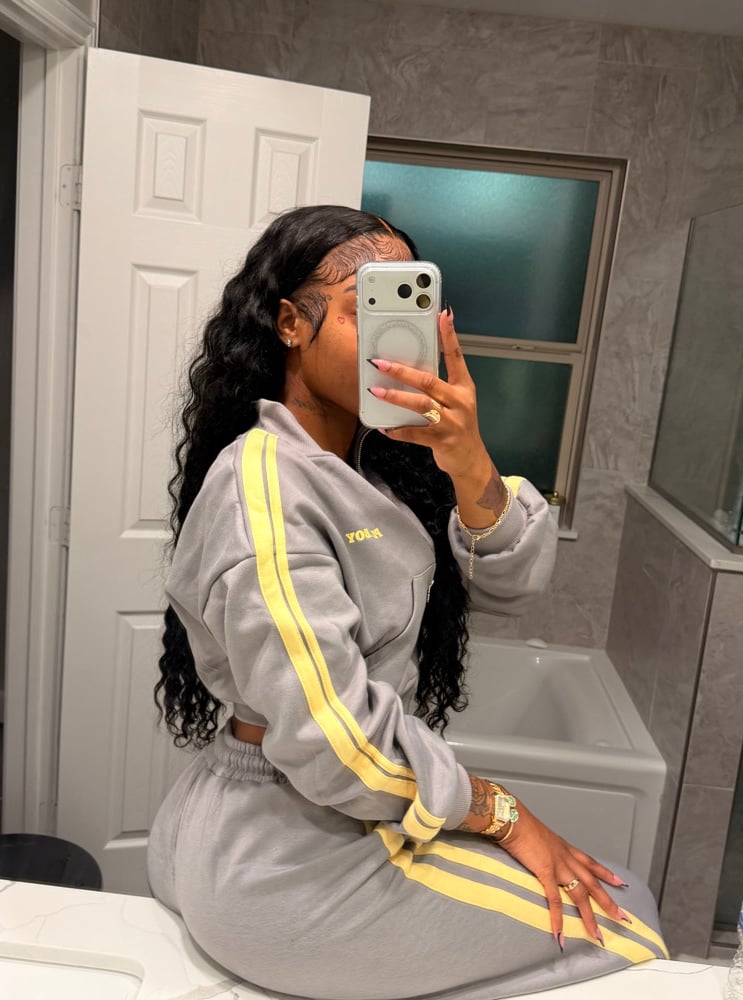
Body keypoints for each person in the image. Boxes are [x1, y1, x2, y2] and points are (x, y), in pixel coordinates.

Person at [147, 205, 666, 1000]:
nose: (396, 339)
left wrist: (469, 457)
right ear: (290, 323)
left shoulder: (366, 469)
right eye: (367, 307)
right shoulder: (267, 488)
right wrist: (501, 812)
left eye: (411, 310)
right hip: (290, 855)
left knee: (615, 898)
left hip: (316, 815)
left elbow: (512, 585)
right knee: (632, 923)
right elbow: (336, 744)